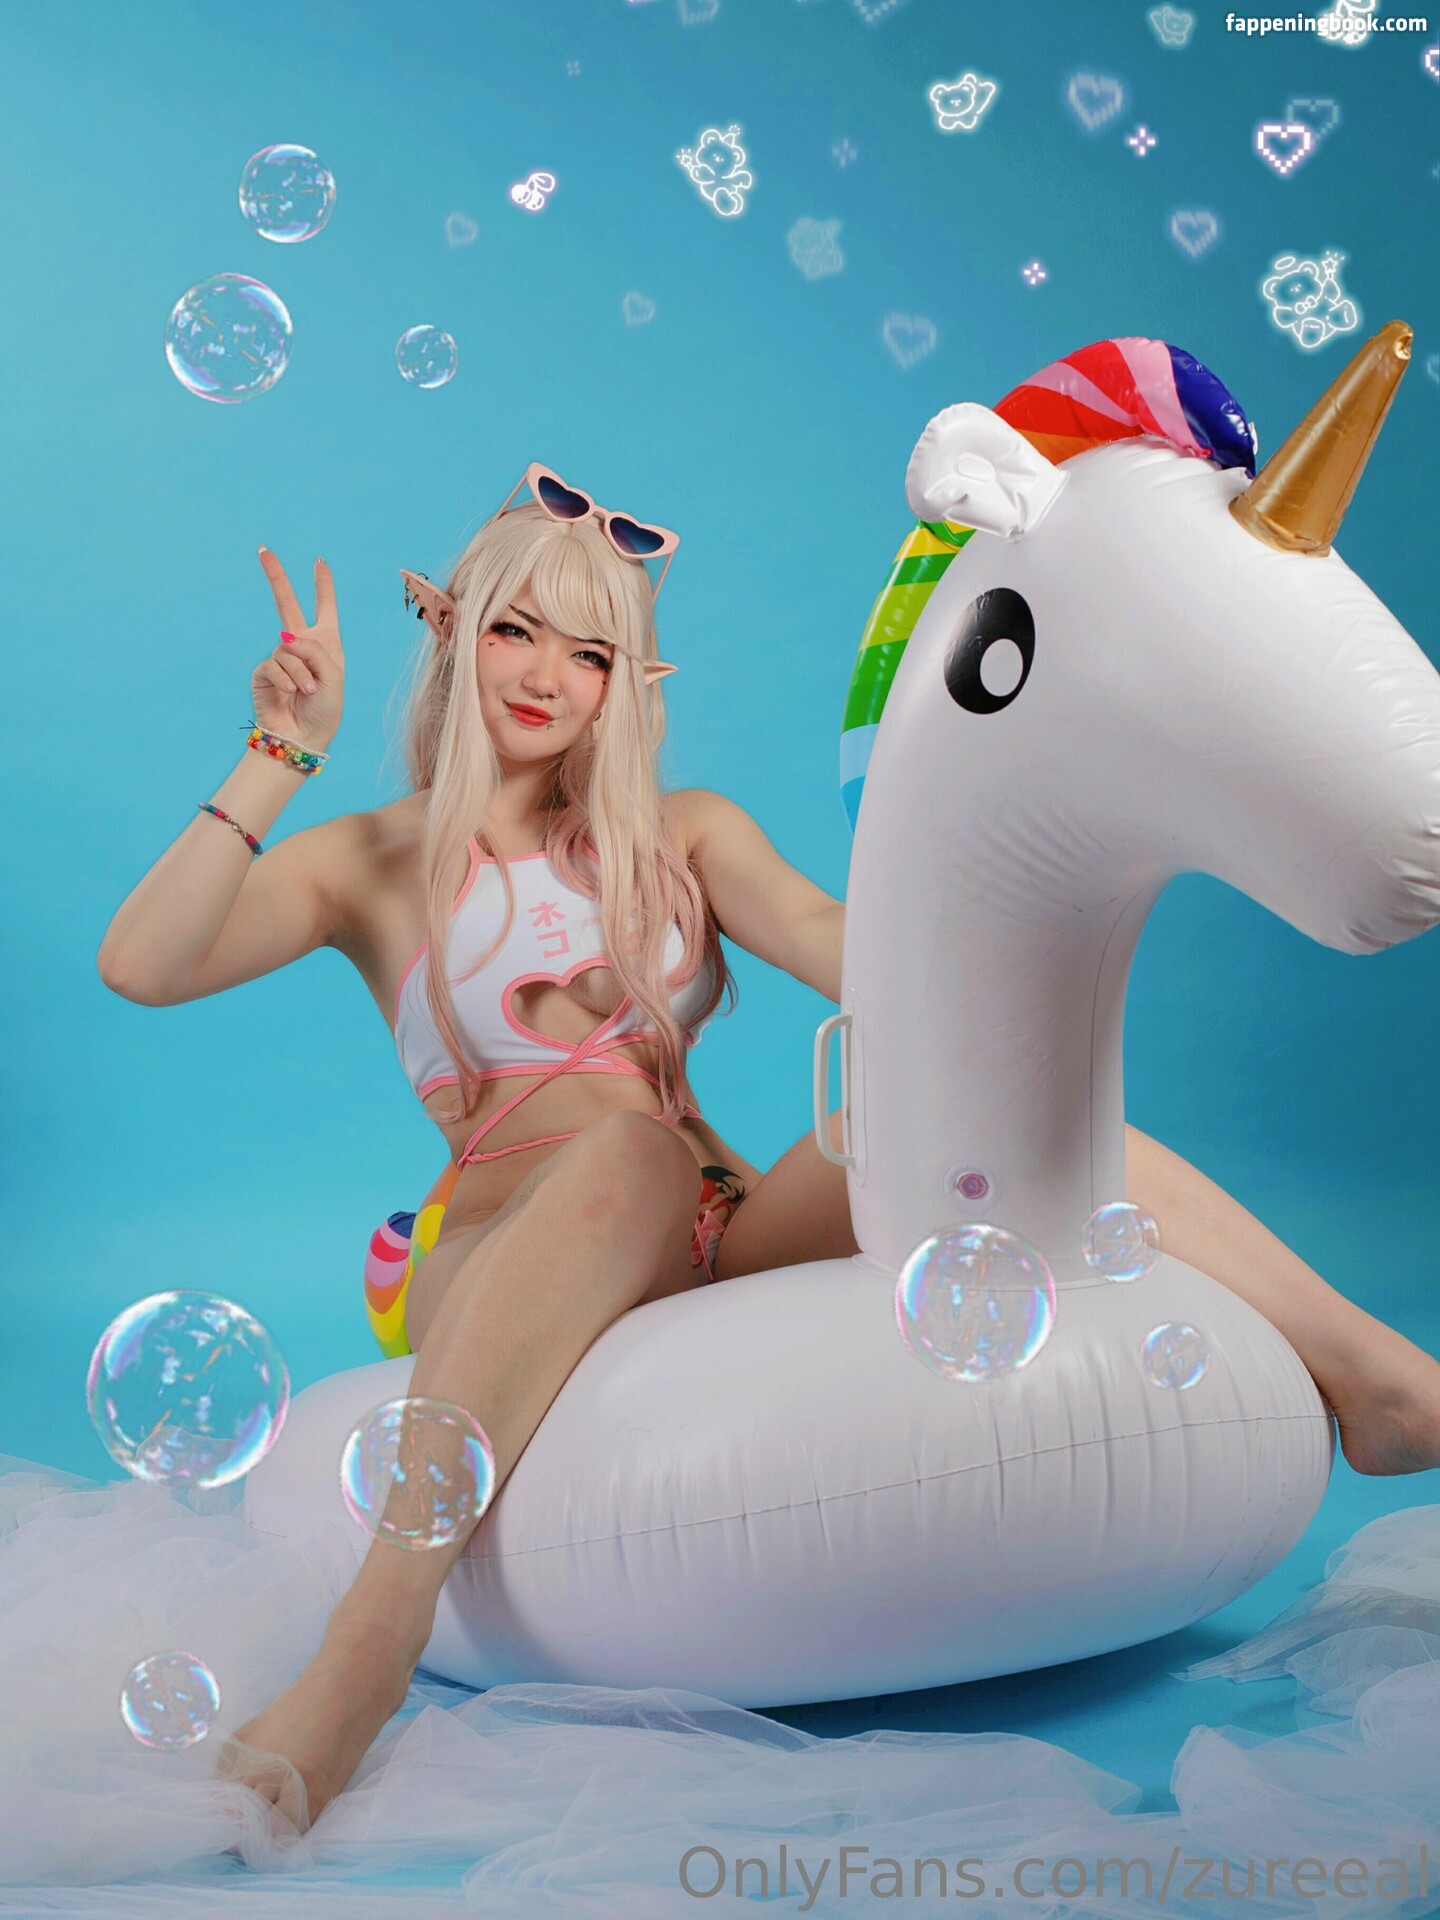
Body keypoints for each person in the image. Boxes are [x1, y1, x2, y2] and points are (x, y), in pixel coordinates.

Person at [95, 464, 1440, 1836]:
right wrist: (279, 752)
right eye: (517, 630)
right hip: (506, 1245)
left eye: (591, 651)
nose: (548, 675)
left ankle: (1385, 1383)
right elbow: (144, 964)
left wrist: (1029, 843)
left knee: (943, 1109)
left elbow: (868, 959)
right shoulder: (370, 864)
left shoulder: (680, 835)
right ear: (452, 628)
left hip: (715, 1227)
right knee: (631, 1154)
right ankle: (368, 1648)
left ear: (630, 682)